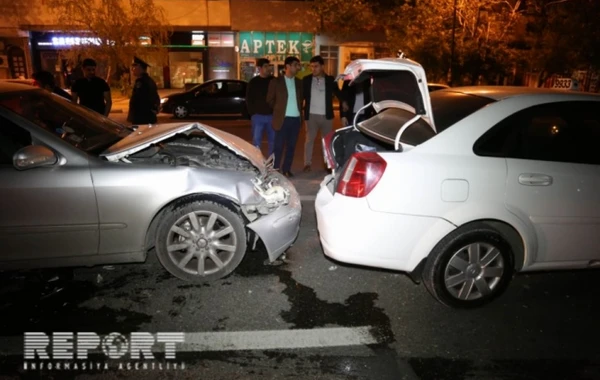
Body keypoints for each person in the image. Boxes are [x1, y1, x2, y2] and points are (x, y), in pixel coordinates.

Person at [302, 55, 345, 172]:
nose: (313, 69)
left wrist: (344, 103)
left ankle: (328, 164)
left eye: (316, 66)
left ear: (322, 66)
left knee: (327, 141)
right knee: (309, 140)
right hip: (311, 116)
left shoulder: (330, 80)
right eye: (311, 67)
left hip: (327, 116)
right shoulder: (306, 80)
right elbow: (301, 96)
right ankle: (307, 163)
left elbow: (338, 94)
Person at [266, 56, 303, 177]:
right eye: (295, 65)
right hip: (282, 119)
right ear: (287, 66)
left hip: (296, 119)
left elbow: (301, 99)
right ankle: (275, 169)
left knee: (291, 146)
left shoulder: (298, 82)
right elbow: (270, 100)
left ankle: (286, 169)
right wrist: (279, 110)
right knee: (278, 146)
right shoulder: (276, 82)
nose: (298, 67)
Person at [246, 58, 275, 157]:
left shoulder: (274, 81)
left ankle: (272, 164)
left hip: (272, 116)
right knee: (256, 141)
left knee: (273, 141)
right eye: (265, 66)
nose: (268, 69)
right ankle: (257, 162)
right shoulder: (253, 82)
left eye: (269, 66)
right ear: (259, 68)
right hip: (258, 116)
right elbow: (249, 98)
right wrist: (252, 113)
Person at [127, 56, 160, 125]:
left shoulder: (142, 82)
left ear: (139, 67)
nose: (132, 69)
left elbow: (139, 100)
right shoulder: (148, 80)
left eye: (134, 67)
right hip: (146, 116)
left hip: (142, 117)